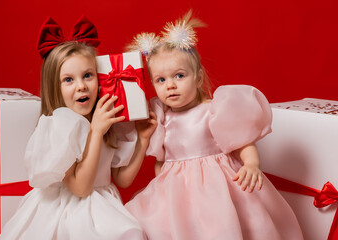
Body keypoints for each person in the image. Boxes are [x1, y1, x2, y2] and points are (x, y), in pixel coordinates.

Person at [125, 11, 303, 240]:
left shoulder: (213, 110)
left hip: (219, 191)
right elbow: (162, 163)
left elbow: (242, 143)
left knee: (222, 227)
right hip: (178, 195)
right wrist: (165, 190)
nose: (170, 85)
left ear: (198, 78)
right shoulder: (162, 119)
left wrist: (251, 164)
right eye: (161, 80)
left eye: (179, 76)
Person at [0, 16, 156, 240]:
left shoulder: (105, 118)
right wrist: (96, 132)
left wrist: (141, 140)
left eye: (88, 75)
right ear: (55, 87)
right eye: (68, 80)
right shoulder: (61, 127)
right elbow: (80, 188)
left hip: (103, 205)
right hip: (66, 211)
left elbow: (122, 179)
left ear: (100, 78)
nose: (81, 86)